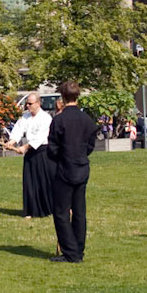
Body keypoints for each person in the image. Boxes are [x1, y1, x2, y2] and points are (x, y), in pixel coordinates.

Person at [46, 80, 98, 263]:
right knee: (79, 212)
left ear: (62, 96)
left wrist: (62, 157)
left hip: (64, 169)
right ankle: (78, 250)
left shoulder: (59, 120)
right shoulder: (87, 119)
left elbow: (52, 148)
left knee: (61, 213)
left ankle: (71, 252)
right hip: (82, 167)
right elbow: (91, 144)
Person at [4, 92, 54, 220]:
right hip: (30, 154)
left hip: (42, 153)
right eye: (27, 103)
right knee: (29, 182)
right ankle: (31, 210)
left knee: (43, 182)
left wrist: (25, 147)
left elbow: (41, 137)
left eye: (30, 103)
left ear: (38, 103)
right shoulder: (25, 117)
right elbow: (18, 130)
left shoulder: (46, 118)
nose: (27, 106)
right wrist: (12, 142)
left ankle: (47, 209)